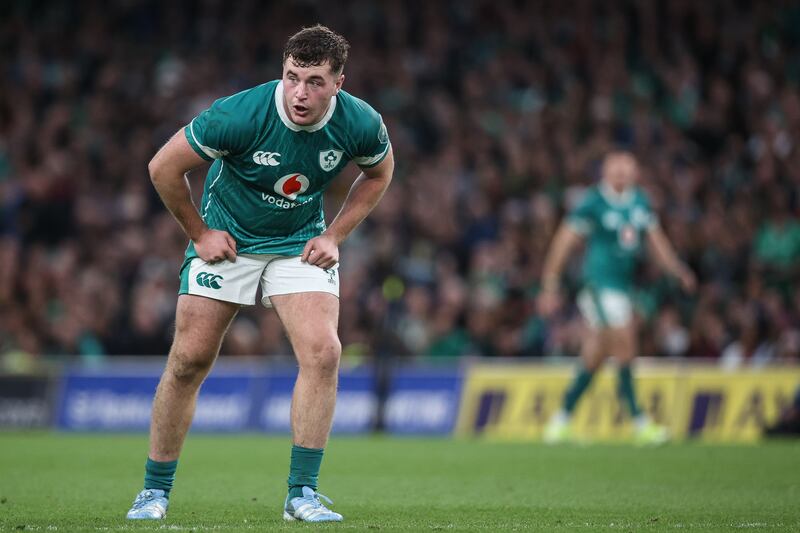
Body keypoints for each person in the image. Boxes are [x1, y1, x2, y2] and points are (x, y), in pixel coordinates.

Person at [125, 25, 393, 522]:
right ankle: (153, 491)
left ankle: (302, 494)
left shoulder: (361, 122)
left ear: (339, 81)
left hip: (298, 243)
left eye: (314, 81)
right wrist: (201, 233)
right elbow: (163, 167)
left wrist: (334, 235)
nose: (299, 93)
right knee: (189, 359)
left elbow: (379, 173)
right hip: (229, 240)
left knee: (325, 352)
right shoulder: (240, 113)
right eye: (292, 77)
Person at [539, 151, 695, 445]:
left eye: (627, 168)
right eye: (615, 168)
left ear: (636, 172)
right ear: (604, 172)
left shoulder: (640, 202)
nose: (621, 173)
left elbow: (656, 241)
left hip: (623, 288)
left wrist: (677, 270)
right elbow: (563, 242)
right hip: (598, 286)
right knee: (625, 344)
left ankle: (561, 419)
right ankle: (639, 421)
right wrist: (550, 284)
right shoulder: (592, 203)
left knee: (596, 356)